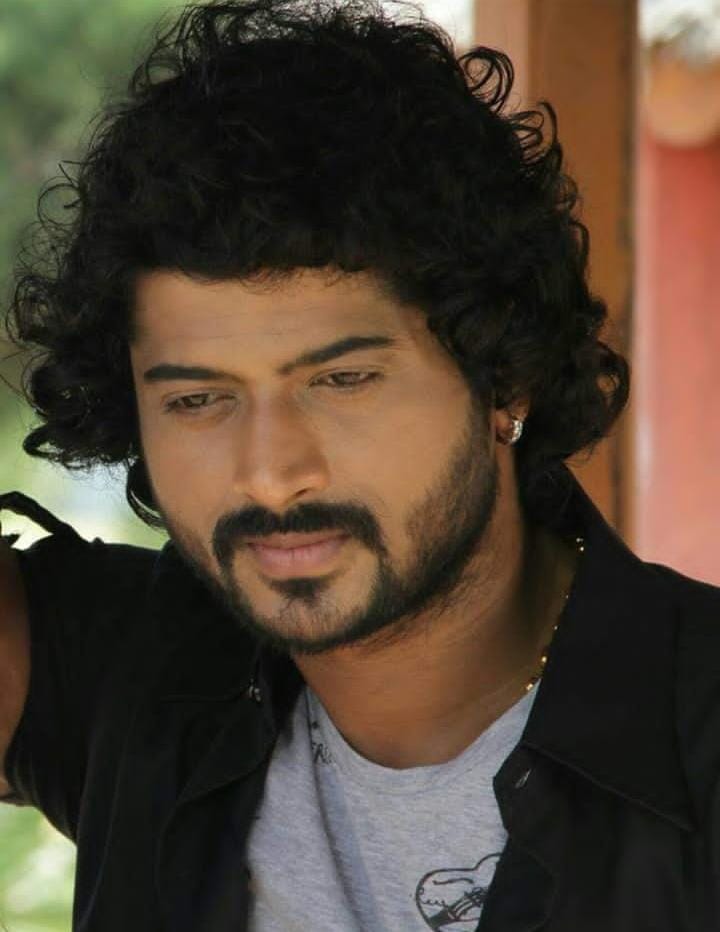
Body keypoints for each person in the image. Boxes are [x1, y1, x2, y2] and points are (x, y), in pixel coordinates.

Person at [0, 1, 718, 929]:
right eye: (198, 400)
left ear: (504, 374)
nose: (270, 474)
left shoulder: (694, 736)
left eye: (341, 381)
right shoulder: (142, 680)